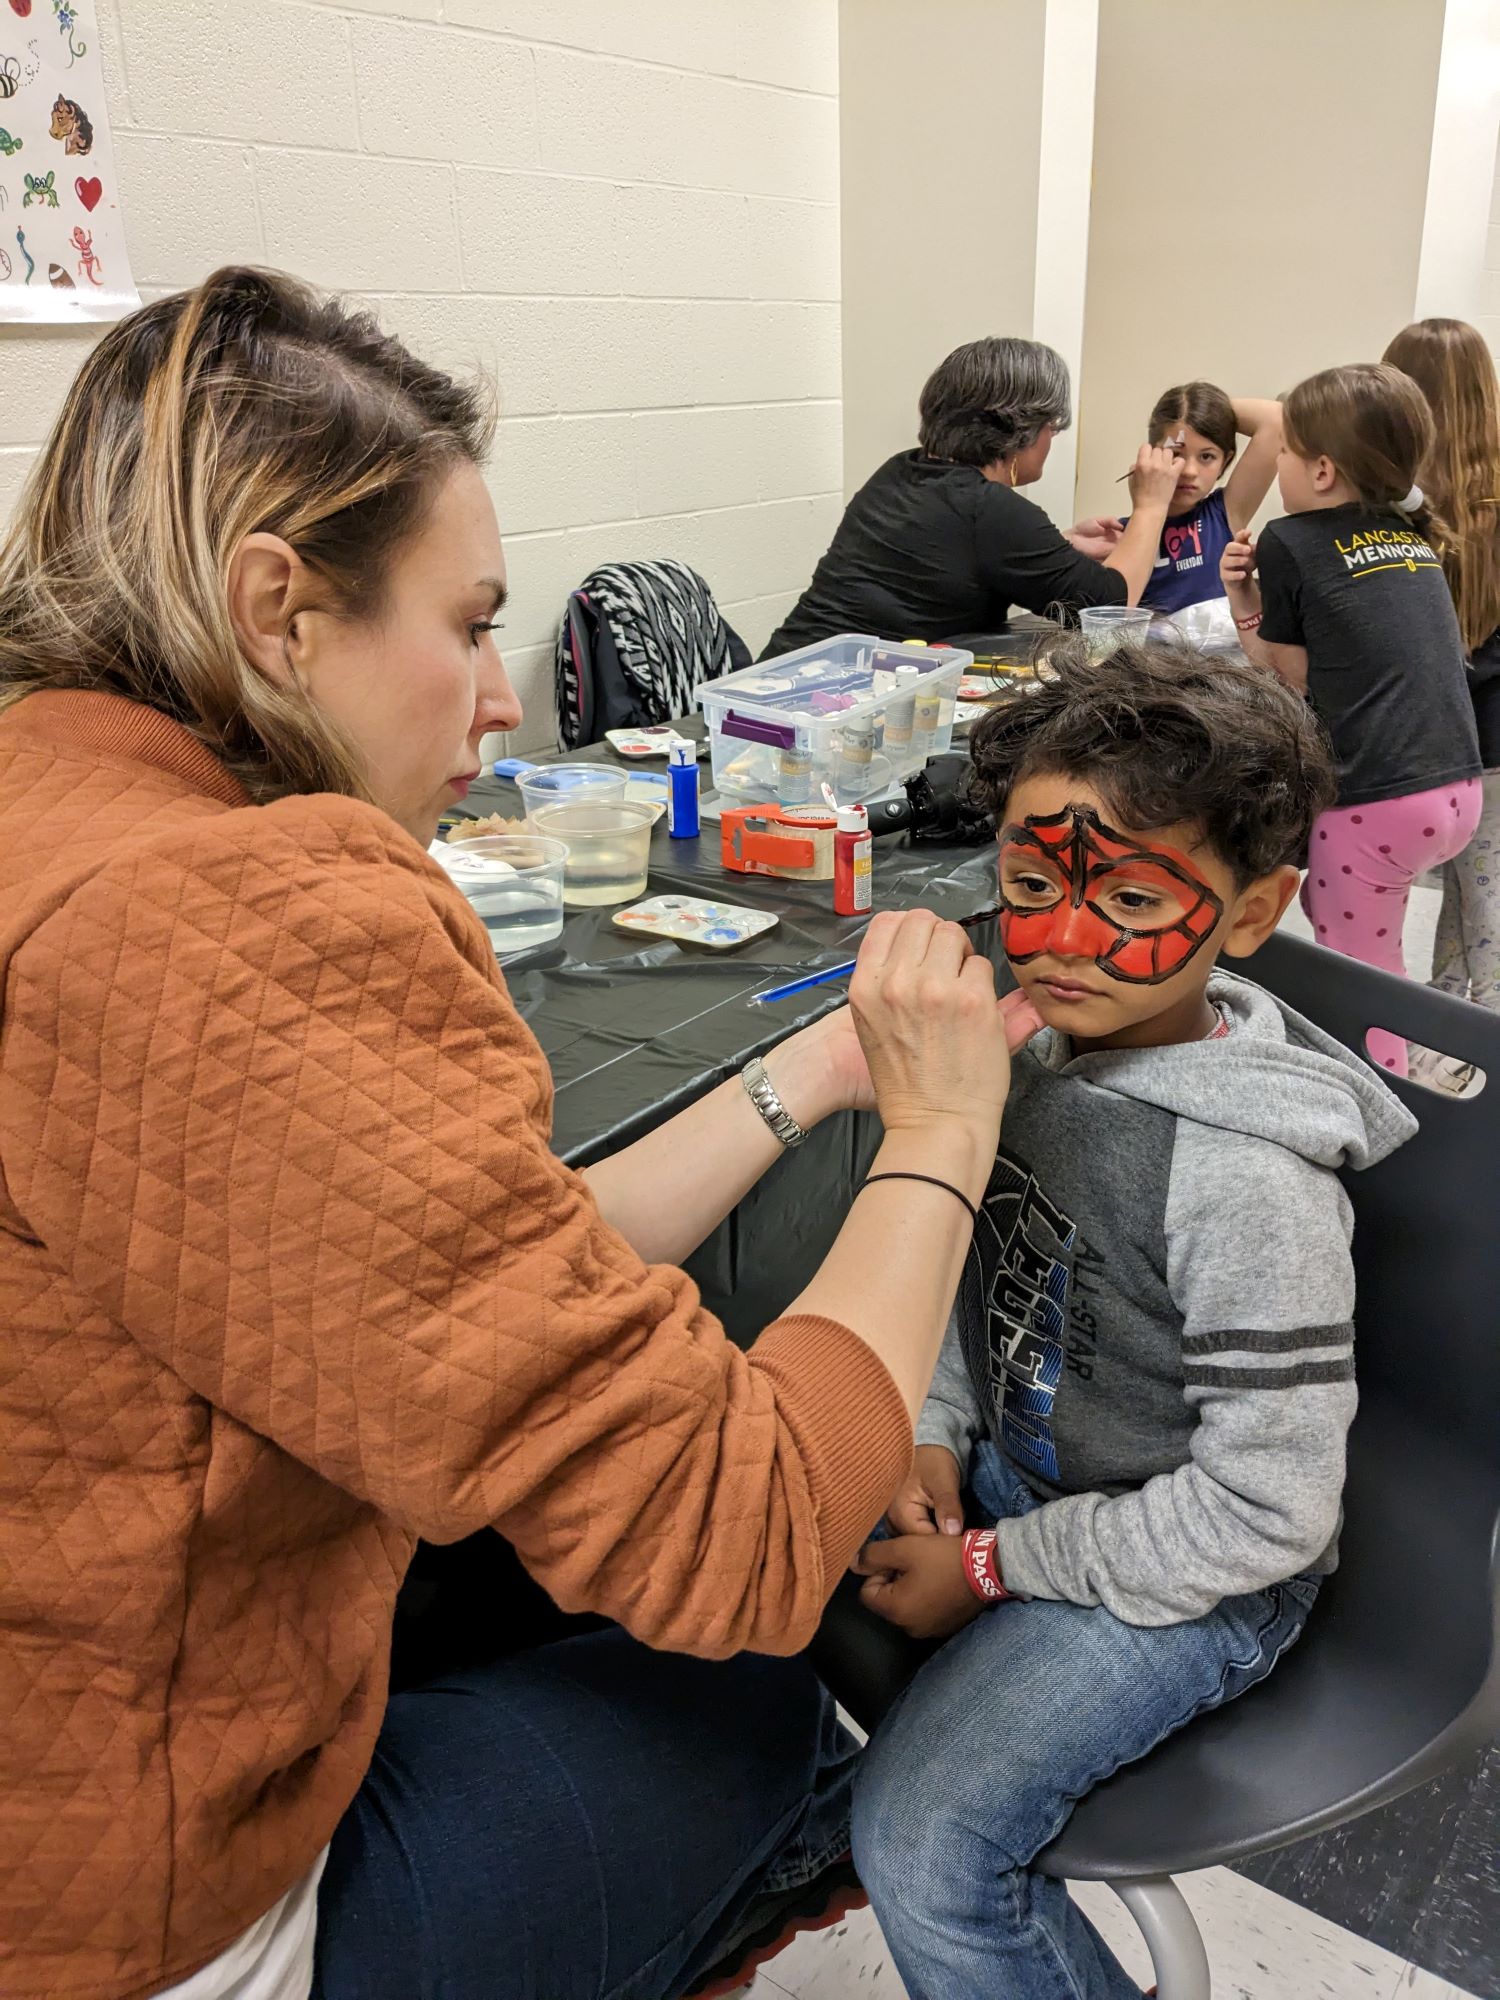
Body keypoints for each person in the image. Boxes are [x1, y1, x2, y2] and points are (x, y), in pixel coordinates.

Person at [0, 267, 1045, 2000]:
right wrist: (941, 1137)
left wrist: (814, 1083)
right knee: (766, 1699)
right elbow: (752, 1530)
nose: (501, 697)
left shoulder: (56, 800)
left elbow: (481, 1259)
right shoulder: (236, 912)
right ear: (280, 611)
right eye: (471, 623)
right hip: (126, 1913)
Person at [848, 639, 1415, 2000]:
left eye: (1134, 899)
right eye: (1034, 885)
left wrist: (991, 1570)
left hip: (1186, 1577)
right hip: (1026, 1479)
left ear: (1257, 908)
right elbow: (975, 1273)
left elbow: (1268, 1517)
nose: (1063, 941)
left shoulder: (1243, 1186)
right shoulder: (1040, 1050)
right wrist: (930, 1436)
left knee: (923, 1845)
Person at [1221, 362, 1483, 1073]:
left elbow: (1284, 675)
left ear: (1325, 470)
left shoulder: (1289, 541)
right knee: (1382, 952)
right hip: (1459, 790)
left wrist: (1242, 598)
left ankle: (1383, 1098)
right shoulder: (1409, 534)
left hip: (1378, 802)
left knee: (1359, 978)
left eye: (1286, 451)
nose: (1278, 463)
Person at [760, 336, 1181, 658]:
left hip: (784, 673)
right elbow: (1107, 612)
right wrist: (1151, 506)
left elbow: (944, 557)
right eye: (1052, 427)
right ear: (1023, 430)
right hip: (825, 709)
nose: (1052, 439)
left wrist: (1061, 548)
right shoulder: (991, 511)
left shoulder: (901, 471)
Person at [1383, 318, 1500, 1019]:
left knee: (1460, 904)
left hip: (1420, 742)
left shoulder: (1391, 513)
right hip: (1493, 739)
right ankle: (1459, 1023)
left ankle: (1463, 1033)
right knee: (1478, 895)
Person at [1127, 381, 1282, 617]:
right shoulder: (1121, 536)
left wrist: (1206, 408)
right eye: (1176, 453)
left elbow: (1278, 419)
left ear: (1225, 462)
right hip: (1154, 656)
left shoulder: (1224, 514)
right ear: (1151, 455)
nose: (1189, 470)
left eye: (1207, 456)